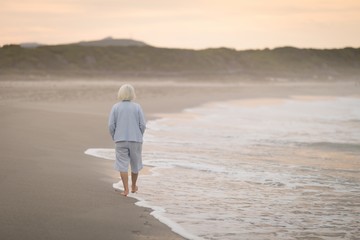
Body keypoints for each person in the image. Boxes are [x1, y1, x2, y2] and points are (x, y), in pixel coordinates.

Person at [108, 84, 146, 196]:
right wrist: (139, 135)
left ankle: (125, 190)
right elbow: (142, 125)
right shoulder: (137, 107)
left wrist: (114, 136)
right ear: (132, 94)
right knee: (135, 164)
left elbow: (111, 125)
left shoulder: (116, 107)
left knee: (122, 164)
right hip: (136, 139)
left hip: (120, 139)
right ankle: (133, 186)